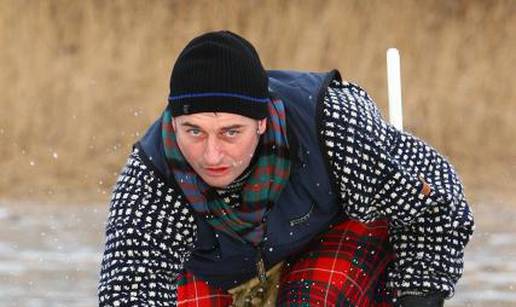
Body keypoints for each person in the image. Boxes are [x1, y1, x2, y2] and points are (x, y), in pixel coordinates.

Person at [98, 30, 474, 306]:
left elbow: (437, 207)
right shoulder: (152, 174)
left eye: (231, 132)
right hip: (219, 271)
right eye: (194, 131)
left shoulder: (332, 125)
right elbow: (127, 292)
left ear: (261, 122)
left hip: (329, 245)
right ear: (172, 123)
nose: (211, 155)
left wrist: (416, 295)